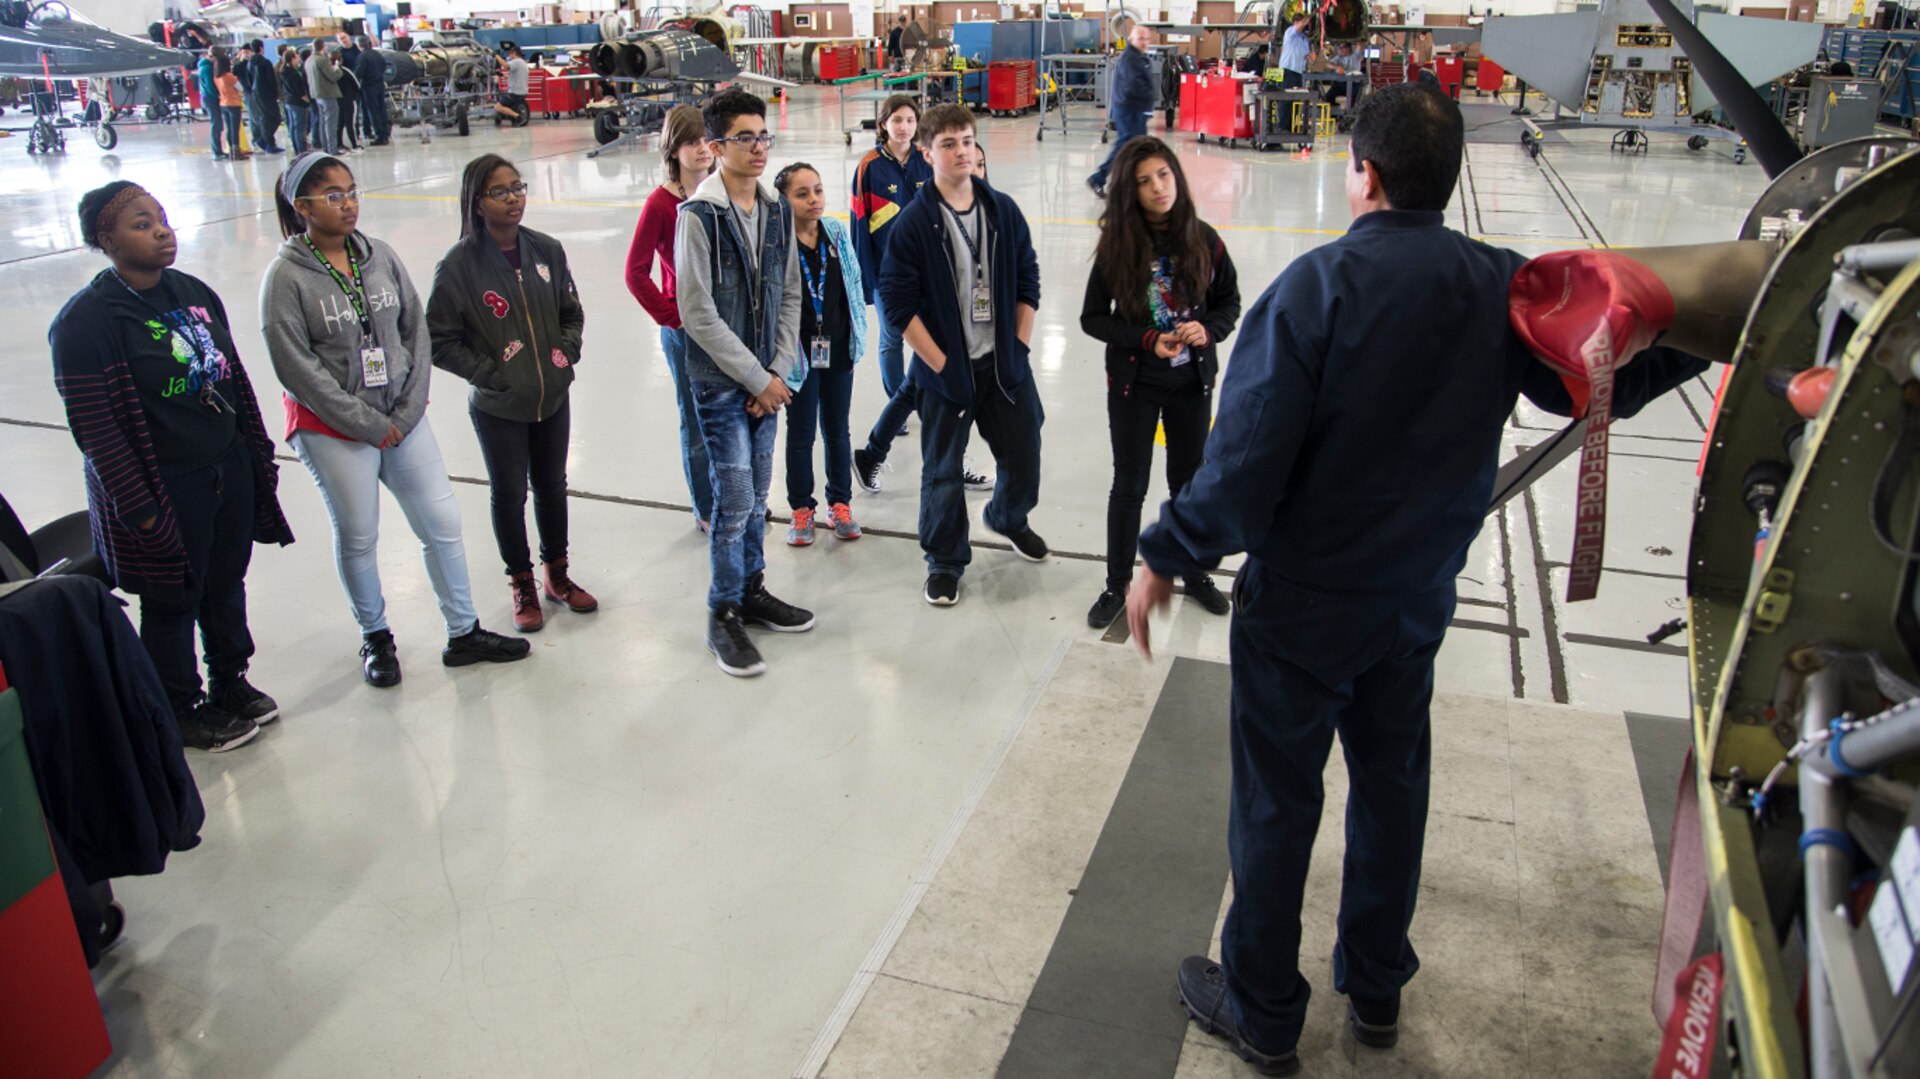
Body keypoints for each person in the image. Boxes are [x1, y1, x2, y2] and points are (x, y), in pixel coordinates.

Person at [1124, 85, 1711, 1075]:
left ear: (1366, 173)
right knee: (1392, 791)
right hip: (1413, 605)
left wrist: (1164, 552)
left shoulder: (1316, 291)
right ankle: (1377, 990)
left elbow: (1243, 469)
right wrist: (1701, 331)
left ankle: (1265, 1010)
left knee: (1277, 804)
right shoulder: (1498, 285)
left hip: (1303, 609)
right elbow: (1597, 371)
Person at [261, 153, 530, 686]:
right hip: (334, 428)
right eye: (333, 196)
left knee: (443, 525)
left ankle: (463, 631)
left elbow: (416, 332)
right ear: (302, 207)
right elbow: (296, 368)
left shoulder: (377, 255)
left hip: (403, 418)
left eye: (352, 191)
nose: (348, 204)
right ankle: (377, 637)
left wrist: (407, 410)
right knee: (360, 535)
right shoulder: (286, 278)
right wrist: (365, 423)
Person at [50, 182, 295, 753]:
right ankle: (180, 706)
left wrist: (256, 456)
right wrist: (140, 511)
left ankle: (230, 681)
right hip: (163, 483)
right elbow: (97, 431)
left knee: (224, 582)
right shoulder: (86, 322)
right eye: (141, 224)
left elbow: (232, 377)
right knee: (171, 598)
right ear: (106, 240)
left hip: (224, 467)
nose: (161, 230)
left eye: (161, 218)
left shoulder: (193, 291)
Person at [878, 104, 1045, 607]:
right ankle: (945, 560)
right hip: (947, 372)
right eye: (948, 144)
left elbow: (1028, 278)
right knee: (943, 472)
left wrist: (1017, 346)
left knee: (1025, 452)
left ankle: (1008, 516)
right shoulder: (914, 224)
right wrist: (941, 365)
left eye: (968, 141)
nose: (961, 152)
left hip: (1003, 366)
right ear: (927, 154)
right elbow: (897, 303)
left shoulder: (1002, 211)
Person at [674, 89, 813, 677]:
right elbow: (697, 311)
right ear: (715, 146)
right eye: (745, 137)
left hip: (767, 384)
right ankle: (722, 611)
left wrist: (778, 372)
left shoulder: (777, 210)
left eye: (763, 136)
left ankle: (750, 590)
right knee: (732, 502)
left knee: (758, 496)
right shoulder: (698, 217)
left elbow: (789, 294)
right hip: (722, 384)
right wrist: (758, 377)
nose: (758, 148)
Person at [428, 155, 596, 633]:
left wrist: (564, 356)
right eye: (500, 192)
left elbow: (571, 312)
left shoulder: (547, 250)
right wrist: (493, 374)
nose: (514, 198)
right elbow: (439, 339)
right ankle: (521, 581)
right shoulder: (459, 266)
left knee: (552, 486)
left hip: (552, 397)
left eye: (518, 187)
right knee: (508, 494)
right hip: (499, 405)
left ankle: (557, 574)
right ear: (477, 203)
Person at [1081, 137, 1239, 628]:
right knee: (1129, 484)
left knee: (1189, 484)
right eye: (1145, 181)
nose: (1158, 188)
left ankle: (1192, 573)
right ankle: (1116, 584)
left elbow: (1229, 303)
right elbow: (1092, 319)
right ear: (1131, 190)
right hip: (1135, 384)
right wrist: (1146, 339)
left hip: (1191, 383)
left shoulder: (1205, 239)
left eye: (1164, 175)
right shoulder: (1117, 247)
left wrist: (1206, 331)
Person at [623, 105, 715, 529]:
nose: (702, 149)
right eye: (691, 143)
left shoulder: (724, 191)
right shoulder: (661, 204)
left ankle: (734, 496)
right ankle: (707, 506)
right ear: (674, 150)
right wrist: (670, 316)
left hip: (728, 324)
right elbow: (636, 271)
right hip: (686, 332)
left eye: (705, 141)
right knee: (695, 423)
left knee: (731, 418)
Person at [774, 162, 866, 546]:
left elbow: (854, 282)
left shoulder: (836, 232)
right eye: (802, 193)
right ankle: (801, 508)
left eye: (818, 190)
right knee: (801, 434)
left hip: (838, 348)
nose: (814, 199)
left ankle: (840, 503)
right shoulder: (778, 242)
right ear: (784, 201)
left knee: (837, 430)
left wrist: (857, 333)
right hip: (799, 355)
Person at [1087, 24, 1156, 198]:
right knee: (1128, 147)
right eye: (1141, 38)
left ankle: (1126, 183)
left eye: (1147, 38)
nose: (1144, 42)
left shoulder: (1138, 57)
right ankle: (1100, 178)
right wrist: (1148, 98)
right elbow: (1134, 85)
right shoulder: (1130, 59)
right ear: (1132, 39)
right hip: (1130, 110)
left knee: (1132, 148)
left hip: (1134, 109)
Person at [242, 39, 284, 154]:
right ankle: (266, 141)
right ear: (261, 48)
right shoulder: (265, 63)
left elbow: (249, 79)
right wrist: (275, 93)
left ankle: (265, 141)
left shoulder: (250, 63)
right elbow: (271, 80)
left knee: (265, 118)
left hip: (256, 94)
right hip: (267, 94)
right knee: (275, 118)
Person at [306, 39, 343, 154]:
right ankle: (333, 150)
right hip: (328, 94)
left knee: (323, 122)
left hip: (317, 95)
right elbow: (333, 76)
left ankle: (326, 148)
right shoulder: (321, 60)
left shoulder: (309, 60)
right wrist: (337, 68)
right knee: (331, 124)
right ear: (323, 47)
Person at [355, 35, 390, 146]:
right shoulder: (377, 54)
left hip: (369, 86)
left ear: (358, 45)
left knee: (373, 111)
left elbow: (359, 73)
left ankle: (380, 136)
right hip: (379, 84)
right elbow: (384, 66)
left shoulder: (362, 57)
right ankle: (385, 133)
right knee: (382, 109)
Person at [279, 45, 313, 155]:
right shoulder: (292, 73)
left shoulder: (284, 71)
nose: (299, 59)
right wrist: (307, 99)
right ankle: (302, 149)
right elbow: (298, 89)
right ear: (292, 59)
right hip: (297, 103)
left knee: (294, 126)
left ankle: (297, 148)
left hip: (289, 101)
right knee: (300, 127)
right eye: (297, 57)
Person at [333, 48, 364, 154]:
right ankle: (354, 144)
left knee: (339, 123)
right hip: (349, 100)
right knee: (351, 123)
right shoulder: (345, 71)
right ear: (340, 59)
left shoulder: (330, 72)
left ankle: (339, 143)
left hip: (337, 101)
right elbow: (356, 84)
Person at [494, 42, 531, 126]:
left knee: (498, 107)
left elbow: (505, 65)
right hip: (522, 91)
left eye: (510, 54)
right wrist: (503, 75)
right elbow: (517, 76)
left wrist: (496, 56)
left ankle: (517, 116)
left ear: (514, 53)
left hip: (515, 92)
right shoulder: (523, 63)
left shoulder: (516, 61)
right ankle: (514, 115)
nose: (509, 56)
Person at [1277, 12, 1312, 90]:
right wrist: (1313, 13)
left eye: (1299, 21)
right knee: (1286, 98)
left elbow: (1305, 55)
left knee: (1297, 98)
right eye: (1296, 21)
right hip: (1288, 70)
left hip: (1299, 72)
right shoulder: (1290, 32)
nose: (1297, 23)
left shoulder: (1304, 38)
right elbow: (1300, 25)